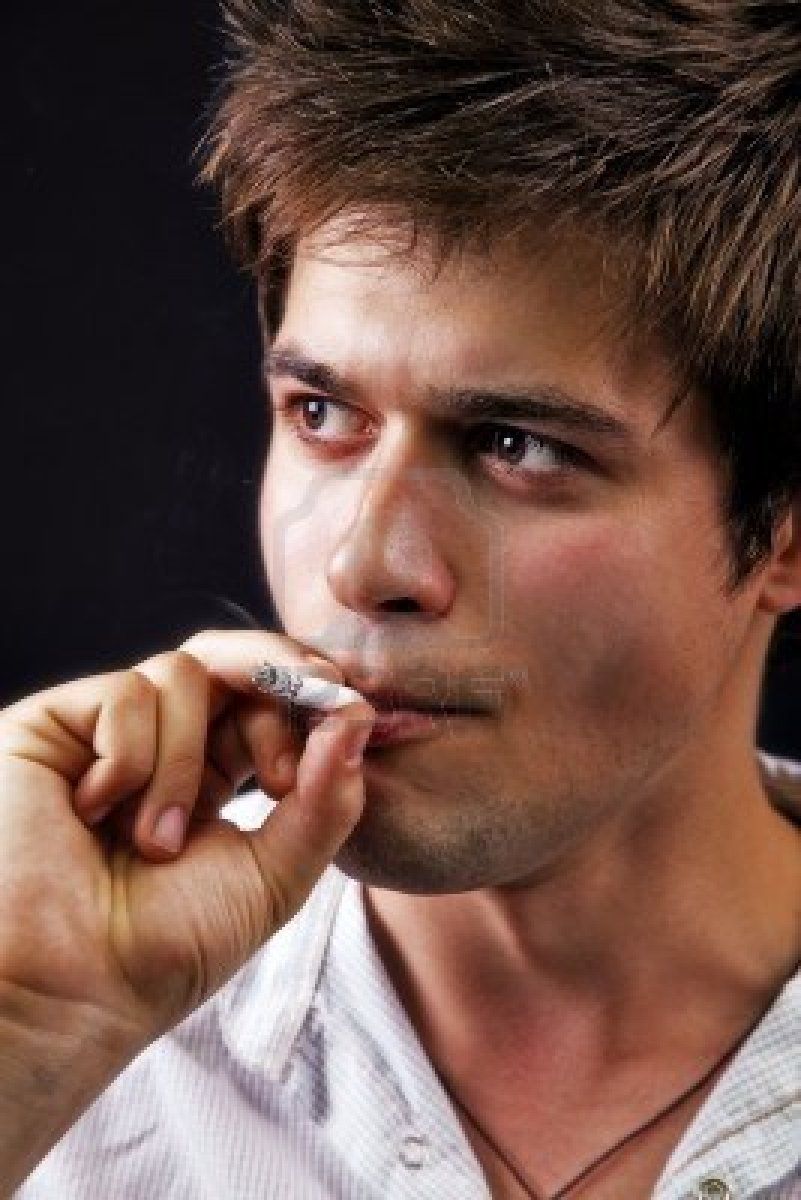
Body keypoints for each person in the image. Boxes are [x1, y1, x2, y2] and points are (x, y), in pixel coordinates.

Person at [2, 2, 800, 1197]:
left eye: (518, 445)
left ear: (784, 530)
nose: (362, 567)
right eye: (323, 415)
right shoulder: (65, 1041)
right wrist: (21, 1041)